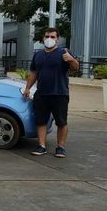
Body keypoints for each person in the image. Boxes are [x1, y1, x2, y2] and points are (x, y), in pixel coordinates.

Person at [24, 27, 79, 158]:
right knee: (41, 121)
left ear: (57, 39)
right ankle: (41, 146)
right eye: (47, 36)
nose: (49, 39)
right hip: (42, 94)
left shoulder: (64, 52)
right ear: (43, 38)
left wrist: (71, 59)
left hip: (60, 94)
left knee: (61, 122)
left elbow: (76, 68)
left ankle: (60, 147)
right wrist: (27, 88)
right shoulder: (38, 55)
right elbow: (33, 73)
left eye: (52, 37)